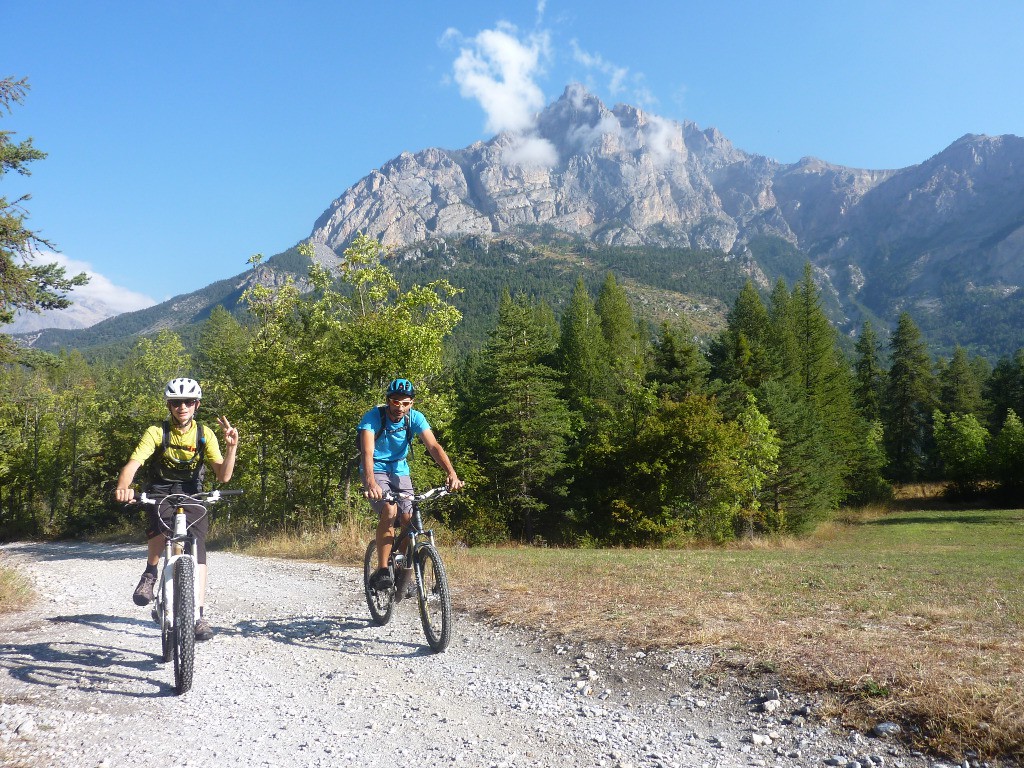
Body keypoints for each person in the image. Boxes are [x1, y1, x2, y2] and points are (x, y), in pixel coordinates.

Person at [114, 377, 239, 641]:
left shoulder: (205, 433)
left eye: (188, 402)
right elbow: (133, 463)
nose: (182, 407)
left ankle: (198, 614)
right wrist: (124, 486)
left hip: (193, 491)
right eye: (176, 402)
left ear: (197, 405)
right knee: (160, 528)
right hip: (160, 489)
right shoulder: (156, 432)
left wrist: (231, 448)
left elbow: (223, 476)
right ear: (169, 405)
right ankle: (150, 573)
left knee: (198, 545)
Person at [360, 378, 463, 591]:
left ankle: (399, 566)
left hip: (400, 470)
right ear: (388, 400)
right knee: (390, 510)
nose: (400, 407)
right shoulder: (373, 418)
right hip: (376, 469)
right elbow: (367, 452)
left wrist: (451, 473)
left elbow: (433, 446)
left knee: (409, 518)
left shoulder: (414, 418)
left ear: (412, 404)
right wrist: (370, 482)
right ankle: (381, 570)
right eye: (395, 402)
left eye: (405, 403)